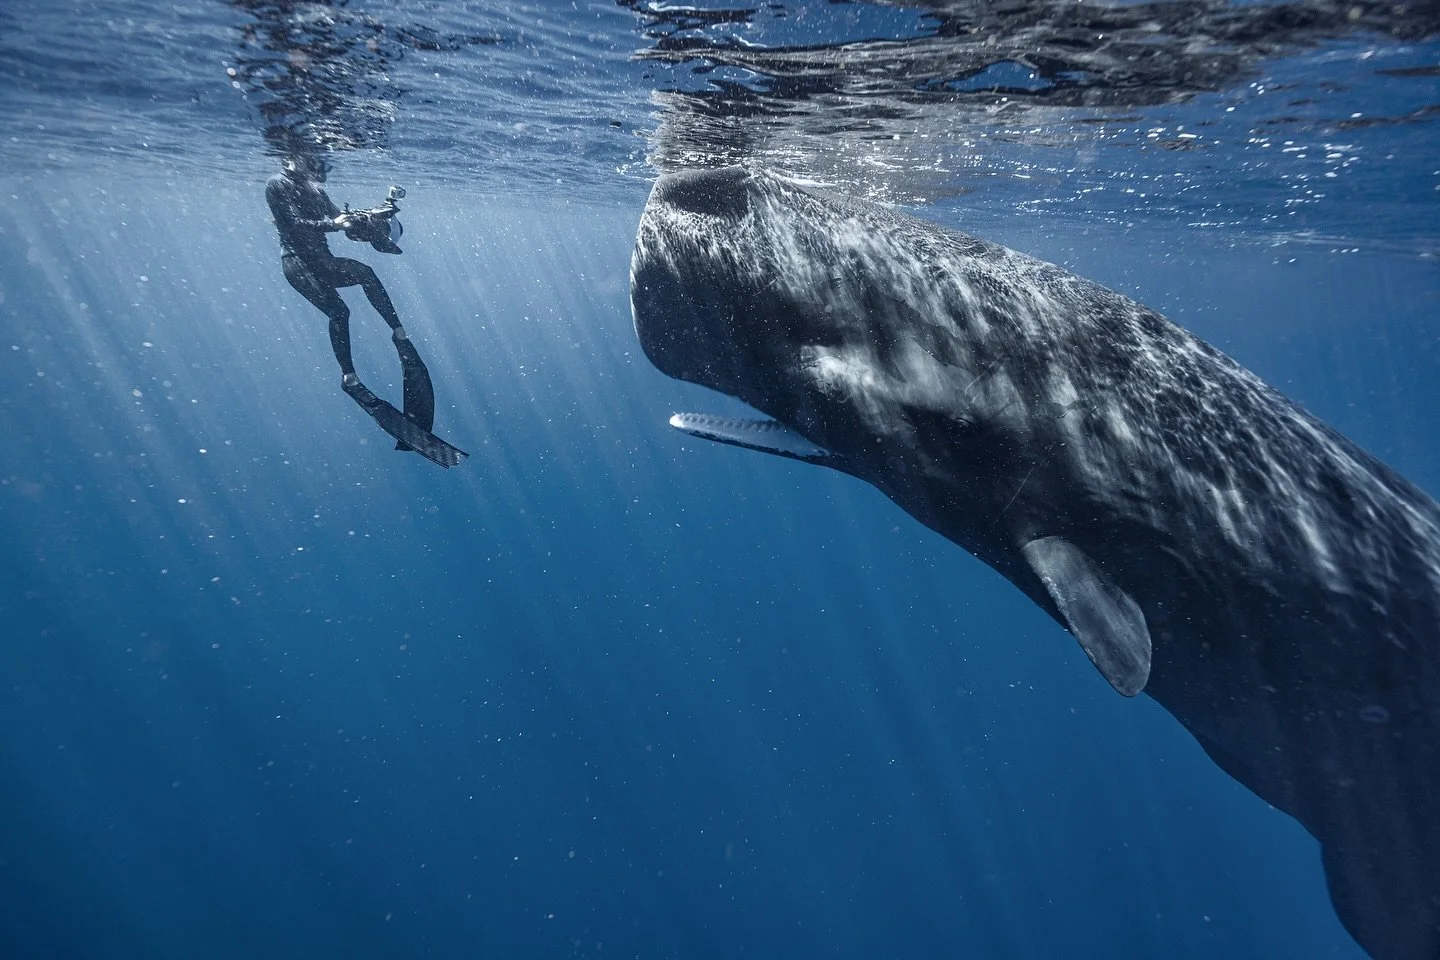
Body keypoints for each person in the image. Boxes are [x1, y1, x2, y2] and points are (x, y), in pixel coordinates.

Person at [265, 153, 464, 467]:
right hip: (297, 264)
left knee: (367, 274)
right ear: (296, 159)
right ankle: (349, 378)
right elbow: (294, 225)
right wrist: (333, 222)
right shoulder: (277, 185)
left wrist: (367, 218)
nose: (320, 170)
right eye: (316, 163)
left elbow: (340, 222)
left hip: (322, 262)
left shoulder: (315, 190)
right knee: (339, 312)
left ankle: (399, 333)